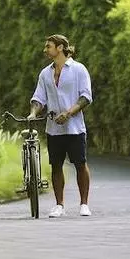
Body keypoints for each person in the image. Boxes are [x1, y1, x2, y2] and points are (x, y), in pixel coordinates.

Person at [28, 34, 93, 218]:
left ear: (60, 47)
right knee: (56, 165)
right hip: (54, 127)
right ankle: (59, 205)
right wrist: (33, 113)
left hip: (74, 127)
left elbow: (85, 96)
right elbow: (38, 98)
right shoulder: (45, 73)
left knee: (80, 164)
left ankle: (84, 204)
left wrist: (69, 113)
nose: (45, 50)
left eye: (48, 46)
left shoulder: (79, 70)